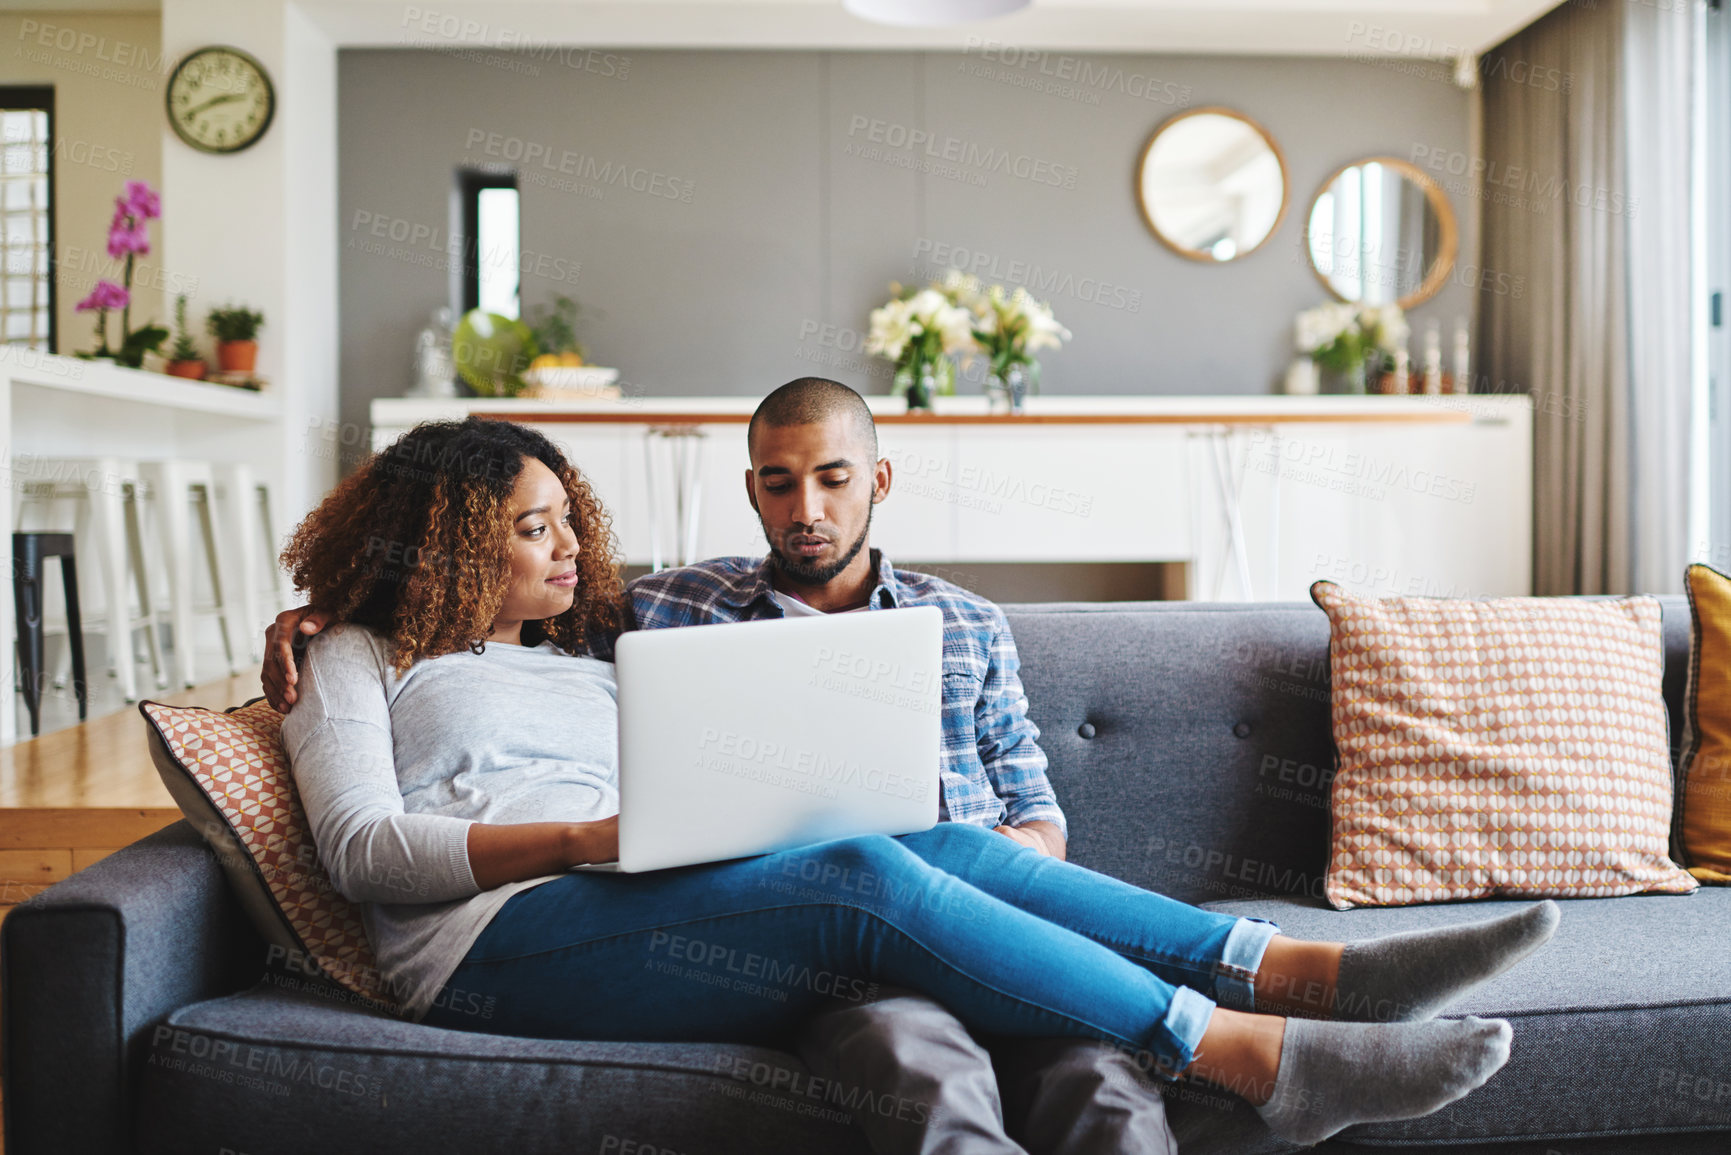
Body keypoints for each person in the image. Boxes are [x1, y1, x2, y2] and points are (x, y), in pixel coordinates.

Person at [271, 414, 1554, 1151]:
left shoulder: (587, 641)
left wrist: (653, 825)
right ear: (446, 540)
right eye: (531, 526)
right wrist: (583, 836)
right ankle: (1246, 1055)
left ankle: (1296, 972)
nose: (567, 546)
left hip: (628, 892)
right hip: (487, 948)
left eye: (566, 519)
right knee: (864, 875)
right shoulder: (352, 653)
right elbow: (363, 851)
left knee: (918, 839)